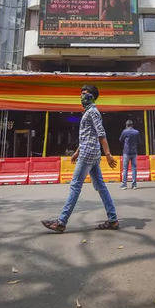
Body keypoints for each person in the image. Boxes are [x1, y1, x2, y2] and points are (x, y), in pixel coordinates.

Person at [41, 84, 119, 232]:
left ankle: (61, 222)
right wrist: (77, 151)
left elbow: (101, 133)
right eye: (81, 94)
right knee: (100, 186)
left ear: (92, 96)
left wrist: (108, 154)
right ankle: (113, 219)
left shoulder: (93, 112)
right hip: (91, 152)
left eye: (85, 93)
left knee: (75, 186)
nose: (82, 96)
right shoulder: (88, 112)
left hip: (89, 153)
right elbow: (87, 136)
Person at [118, 119, 140, 189]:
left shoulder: (125, 131)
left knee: (125, 169)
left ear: (126, 125)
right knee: (134, 168)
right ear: (132, 125)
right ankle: (134, 185)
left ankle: (124, 185)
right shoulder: (136, 132)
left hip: (126, 152)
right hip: (134, 152)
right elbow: (139, 141)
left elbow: (120, 139)